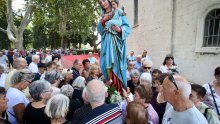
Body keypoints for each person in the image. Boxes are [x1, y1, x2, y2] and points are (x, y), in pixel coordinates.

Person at [98, 0, 131, 93]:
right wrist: (103, 21)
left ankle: (120, 90)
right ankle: (112, 90)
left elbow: (127, 27)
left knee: (117, 65)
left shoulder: (118, 12)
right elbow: (100, 30)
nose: (103, 3)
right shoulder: (102, 16)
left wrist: (119, 29)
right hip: (106, 46)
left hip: (117, 45)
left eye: (104, 0)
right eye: (100, 3)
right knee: (106, 64)